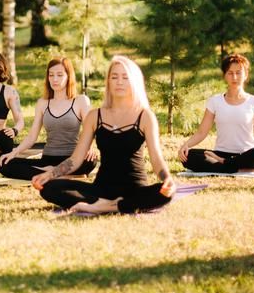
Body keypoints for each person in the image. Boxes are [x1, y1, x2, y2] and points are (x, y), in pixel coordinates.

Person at [33, 55, 176, 214]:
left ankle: (109, 206)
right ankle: (113, 204)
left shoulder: (145, 116)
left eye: (125, 77)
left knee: (165, 194)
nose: (119, 82)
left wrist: (166, 179)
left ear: (134, 81)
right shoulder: (95, 116)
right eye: (114, 77)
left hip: (134, 189)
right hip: (101, 189)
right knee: (49, 188)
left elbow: (156, 159)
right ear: (108, 81)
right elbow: (76, 159)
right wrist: (50, 174)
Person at [0, 57, 97, 180]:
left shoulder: (80, 101)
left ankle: (49, 173)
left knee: (90, 162)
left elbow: (90, 129)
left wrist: (89, 148)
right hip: (48, 159)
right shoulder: (43, 103)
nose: (55, 79)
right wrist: (14, 153)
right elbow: (32, 137)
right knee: (4, 164)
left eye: (60, 75)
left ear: (68, 76)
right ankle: (55, 172)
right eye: (51, 75)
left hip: (73, 159)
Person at [177, 54, 254, 173]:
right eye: (230, 73)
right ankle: (231, 164)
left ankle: (225, 164)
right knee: (189, 156)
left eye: (238, 72)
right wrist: (186, 145)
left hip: (246, 154)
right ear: (225, 75)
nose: (234, 77)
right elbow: (201, 132)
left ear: (246, 75)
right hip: (220, 153)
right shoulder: (214, 101)